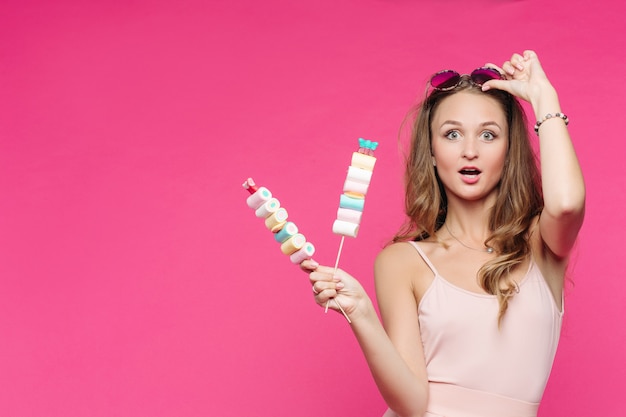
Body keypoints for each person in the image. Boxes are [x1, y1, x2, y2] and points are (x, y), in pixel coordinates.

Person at [301, 50, 585, 417]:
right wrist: (361, 314)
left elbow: (565, 204)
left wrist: (545, 97)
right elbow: (411, 403)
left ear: (509, 147)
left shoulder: (541, 245)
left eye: (488, 134)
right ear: (432, 151)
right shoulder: (402, 262)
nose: (470, 151)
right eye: (452, 134)